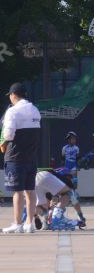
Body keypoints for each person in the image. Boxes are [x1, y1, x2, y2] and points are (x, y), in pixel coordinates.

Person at [2, 82, 41, 234]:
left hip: (15, 157)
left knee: (17, 192)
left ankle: (17, 223)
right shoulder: (35, 110)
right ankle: (29, 223)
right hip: (31, 158)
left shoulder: (13, 112)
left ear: (13, 95)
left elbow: (8, 135)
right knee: (30, 191)